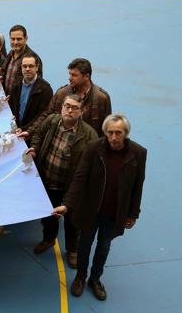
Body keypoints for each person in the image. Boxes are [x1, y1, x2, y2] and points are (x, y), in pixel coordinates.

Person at [53, 114, 147, 301]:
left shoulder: (139, 153)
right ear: (105, 132)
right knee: (84, 244)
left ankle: (95, 279)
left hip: (114, 213)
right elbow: (79, 178)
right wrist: (67, 205)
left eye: (118, 133)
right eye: (110, 132)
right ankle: (80, 277)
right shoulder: (93, 148)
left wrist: (133, 213)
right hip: (90, 210)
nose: (113, 137)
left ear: (126, 133)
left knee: (104, 246)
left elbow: (138, 184)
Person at [26, 95, 98, 267]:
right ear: (62, 107)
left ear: (81, 112)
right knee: (48, 215)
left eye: (74, 108)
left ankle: (72, 249)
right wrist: (34, 148)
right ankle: (49, 239)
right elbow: (38, 135)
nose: (70, 110)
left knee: (72, 221)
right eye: (67, 106)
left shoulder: (89, 135)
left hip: (70, 188)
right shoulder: (51, 121)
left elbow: (91, 167)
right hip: (47, 180)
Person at [31, 58, 112, 138]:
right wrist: (29, 131)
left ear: (87, 76)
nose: (70, 78)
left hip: (88, 146)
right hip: (61, 143)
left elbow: (107, 128)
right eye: (70, 74)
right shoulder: (62, 93)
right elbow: (46, 115)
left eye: (74, 75)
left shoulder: (101, 98)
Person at [8, 53, 53, 143]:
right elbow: (12, 107)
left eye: (31, 66)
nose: (27, 69)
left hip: (32, 135)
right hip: (16, 131)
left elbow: (42, 116)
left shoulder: (45, 89)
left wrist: (25, 129)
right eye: (24, 66)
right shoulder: (16, 85)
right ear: (21, 67)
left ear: (37, 67)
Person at [0, 25, 43, 94]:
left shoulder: (33, 58)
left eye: (19, 39)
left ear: (26, 39)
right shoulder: (10, 54)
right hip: (7, 101)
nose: (15, 42)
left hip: (21, 102)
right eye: (13, 39)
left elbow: (37, 85)